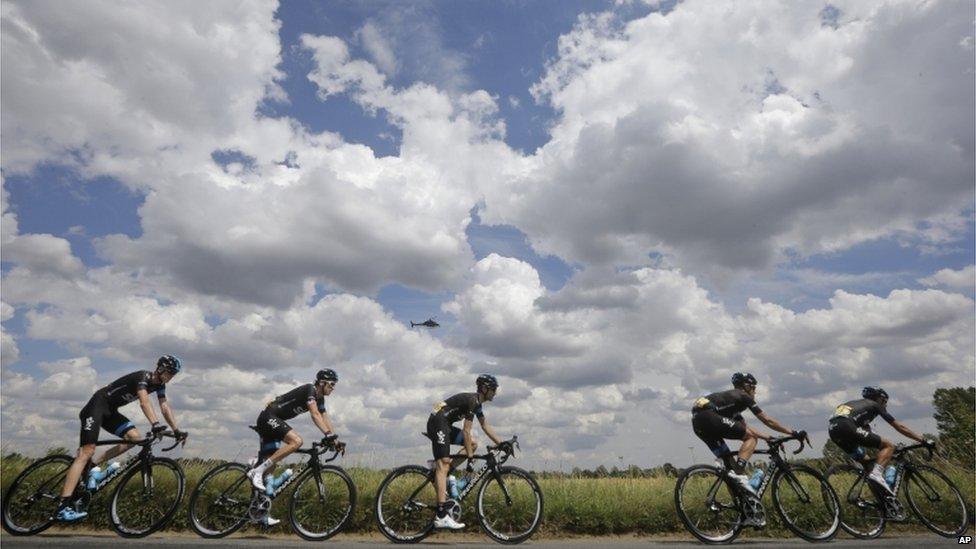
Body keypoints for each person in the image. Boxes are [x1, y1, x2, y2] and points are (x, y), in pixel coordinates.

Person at [56, 355, 186, 521]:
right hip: (96, 407)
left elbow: (164, 406)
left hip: (111, 412)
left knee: (134, 438)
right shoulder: (142, 377)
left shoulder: (160, 386)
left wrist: (176, 430)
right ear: (160, 369)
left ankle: (93, 468)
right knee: (86, 452)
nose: (170, 377)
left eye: (173, 374)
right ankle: (62, 506)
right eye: (169, 373)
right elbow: (144, 402)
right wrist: (155, 424)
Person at [246, 369, 345, 525]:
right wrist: (327, 434)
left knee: (270, 469)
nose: (333, 388)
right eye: (332, 384)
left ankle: (259, 512)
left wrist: (335, 439)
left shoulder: (320, 399)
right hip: (268, 417)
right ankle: (256, 471)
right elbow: (315, 414)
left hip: (273, 421)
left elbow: (324, 416)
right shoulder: (310, 390)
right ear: (322, 383)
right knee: (297, 442)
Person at [691, 372, 803, 495]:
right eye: (753, 388)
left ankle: (742, 505)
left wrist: (769, 438)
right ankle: (739, 470)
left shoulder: (730, 401)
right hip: (709, 416)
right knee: (751, 439)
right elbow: (767, 420)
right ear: (747, 386)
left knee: (730, 470)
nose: (755, 392)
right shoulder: (743, 395)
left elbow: (744, 427)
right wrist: (793, 432)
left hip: (698, 423)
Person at [426, 374, 506, 530]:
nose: (495, 392)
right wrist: (470, 459)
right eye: (493, 389)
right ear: (484, 389)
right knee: (443, 463)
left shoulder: (477, 404)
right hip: (437, 422)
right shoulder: (472, 401)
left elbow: (485, 426)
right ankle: (441, 516)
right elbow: (467, 431)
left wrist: (502, 444)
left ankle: (445, 474)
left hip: (445, 424)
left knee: (473, 444)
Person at [828, 386, 933, 495]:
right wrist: (922, 440)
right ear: (879, 399)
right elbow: (899, 427)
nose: (885, 405)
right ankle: (877, 475)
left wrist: (882, 450)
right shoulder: (875, 405)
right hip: (847, 426)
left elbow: (869, 433)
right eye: (884, 401)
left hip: (833, 431)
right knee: (889, 446)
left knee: (867, 463)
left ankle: (882, 499)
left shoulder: (857, 405)